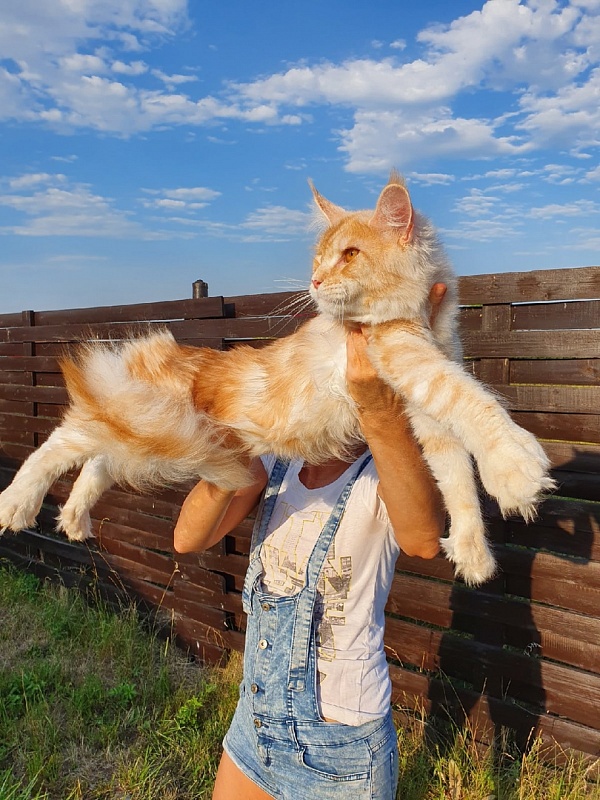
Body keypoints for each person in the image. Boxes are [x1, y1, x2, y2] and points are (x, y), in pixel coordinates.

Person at [174, 285, 448, 800]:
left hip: (339, 745)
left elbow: (423, 539)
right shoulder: (278, 460)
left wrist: (380, 410)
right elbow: (188, 538)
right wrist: (232, 448)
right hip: (254, 721)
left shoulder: (383, 471)